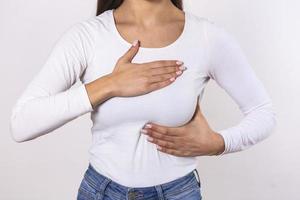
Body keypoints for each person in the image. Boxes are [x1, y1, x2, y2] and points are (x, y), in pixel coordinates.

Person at [9, 0, 277, 199]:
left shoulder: (208, 38)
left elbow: (263, 112)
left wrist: (219, 143)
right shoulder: (87, 37)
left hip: (178, 192)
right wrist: (109, 85)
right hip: (100, 191)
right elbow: (22, 123)